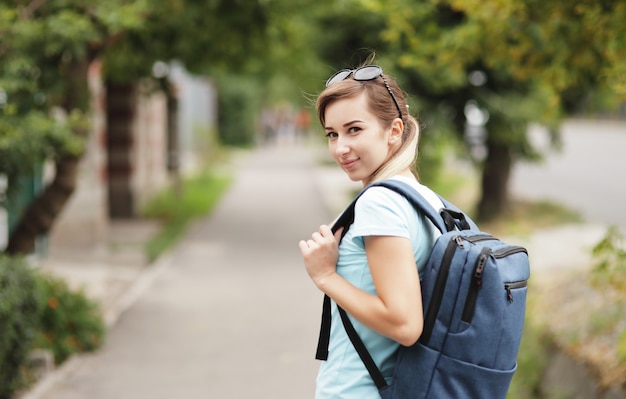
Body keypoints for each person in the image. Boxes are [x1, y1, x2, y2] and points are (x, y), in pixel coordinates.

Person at [298, 64, 445, 398]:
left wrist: (326, 277)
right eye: (332, 134)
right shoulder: (426, 198)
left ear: (394, 130)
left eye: (354, 130)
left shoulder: (379, 204)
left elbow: (405, 325)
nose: (339, 148)